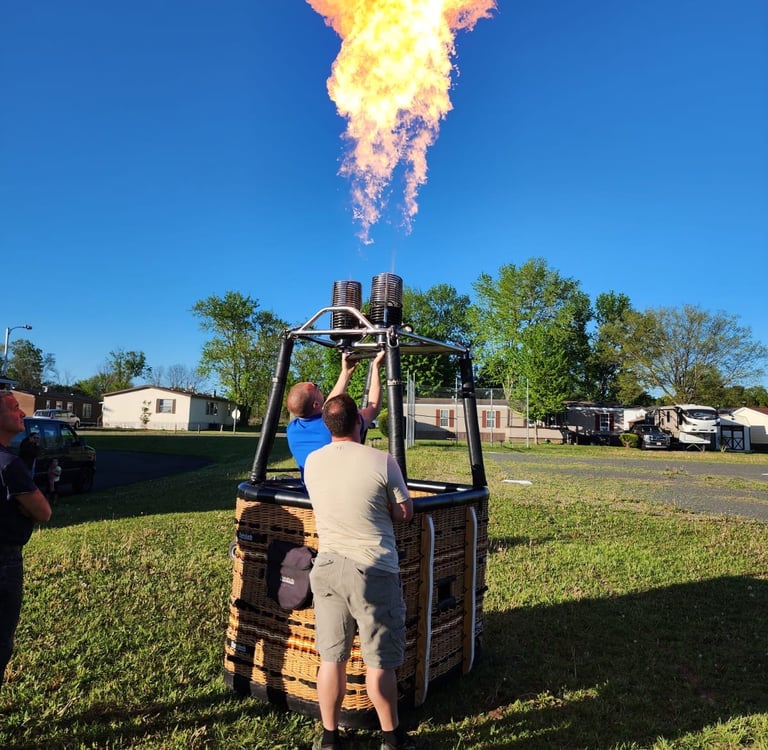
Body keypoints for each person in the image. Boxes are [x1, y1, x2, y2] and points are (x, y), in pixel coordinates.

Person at [304, 394, 426, 750]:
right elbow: (405, 512)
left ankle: (329, 738)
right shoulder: (381, 460)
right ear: (359, 421)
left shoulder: (312, 462)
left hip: (326, 567)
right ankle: (392, 739)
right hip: (373, 569)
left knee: (331, 658)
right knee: (379, 662)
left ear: (327, 425)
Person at [0, 391, 52, 688]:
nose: (21, 413)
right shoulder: (8, 464)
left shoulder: (12, 462)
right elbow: (43, 511)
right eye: (13, 407)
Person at [286, 349, 385, 480]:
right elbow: (372, 409)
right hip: (347, 491)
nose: (318, 386)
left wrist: (346, 372)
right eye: (316, 386)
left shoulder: (292, 428)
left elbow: (327, 407)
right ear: (315, 404)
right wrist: (376, 367)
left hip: (313, 493)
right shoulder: (333, 425)